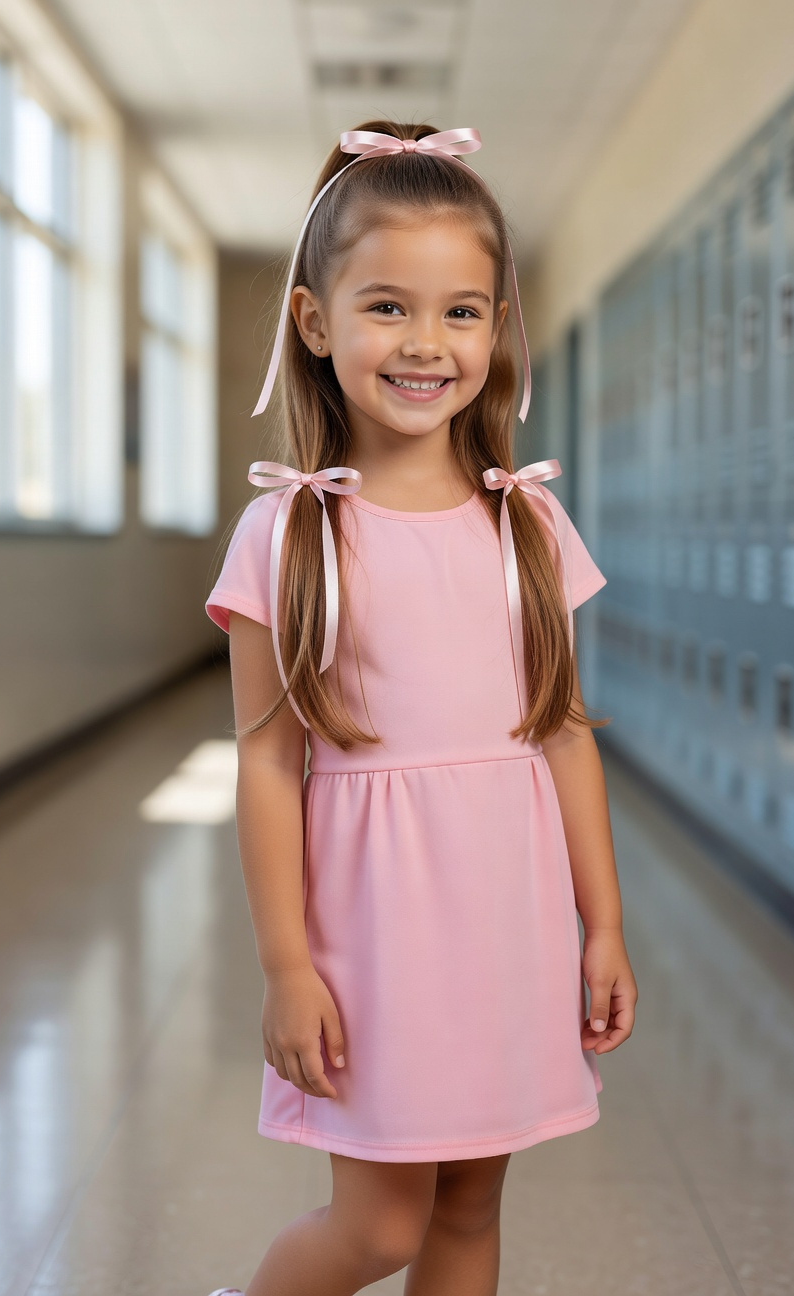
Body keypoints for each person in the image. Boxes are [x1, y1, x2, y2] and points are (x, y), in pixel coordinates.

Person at [204, 120, 638, 1296]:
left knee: (469, 1205)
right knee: (383, 1225)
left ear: (499, 331)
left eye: (460, 311)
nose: (425, 343)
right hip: (372, 933)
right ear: (314, 321)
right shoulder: (289, 533)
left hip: (507, 916)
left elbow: (562, 735)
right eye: (386, 306)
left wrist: (602, 923)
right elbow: (265, 767)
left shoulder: (526, 523)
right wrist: (287, 966)